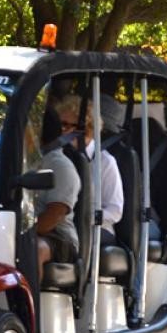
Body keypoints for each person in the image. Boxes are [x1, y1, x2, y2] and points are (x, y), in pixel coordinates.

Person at [55, 94, 124, 246]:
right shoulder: (56, 156)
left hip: (95, 229)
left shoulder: (105, 162)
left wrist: (84, 217)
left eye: (67, 125)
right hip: (60, 223)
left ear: (86, 128)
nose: (61, 130)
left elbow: (115, 210)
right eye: (60, 124)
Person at [35, 107, 81, 278]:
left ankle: (28, 303)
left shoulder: (60, 166)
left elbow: (50, 221)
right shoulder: (26, 161)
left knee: (33, 249)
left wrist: (16, 235)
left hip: (59, 237)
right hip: (22, 230)